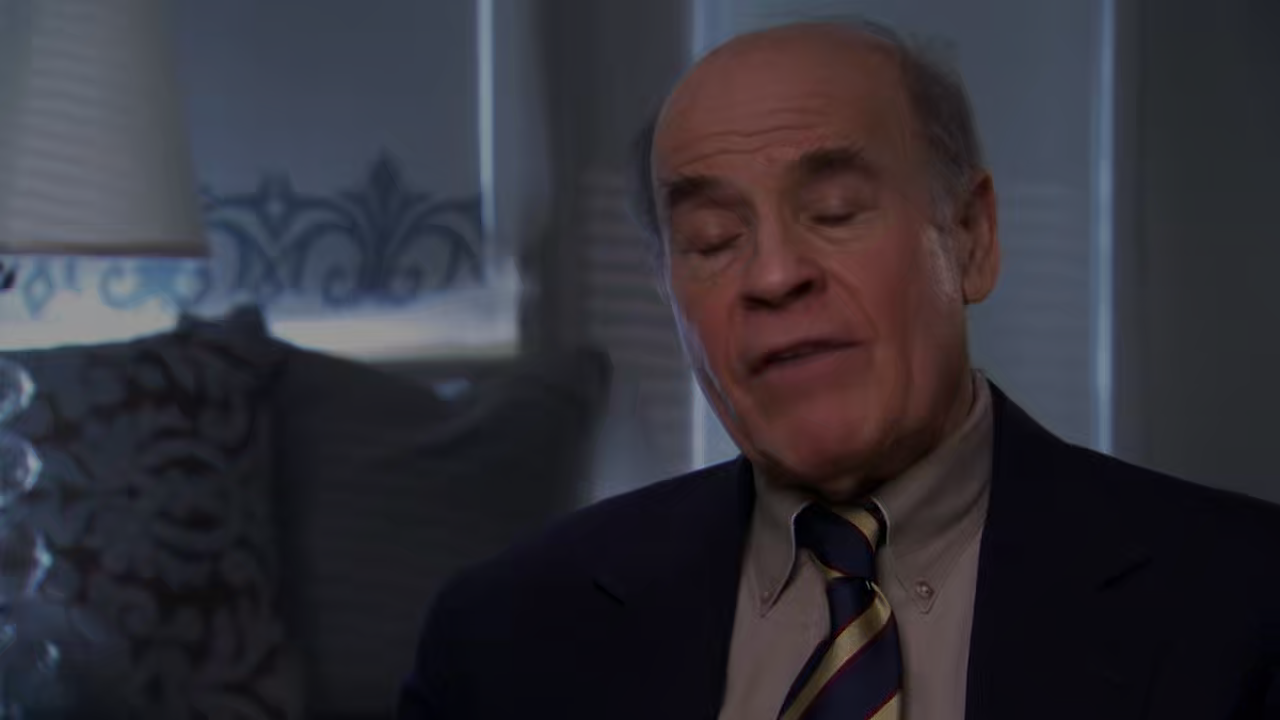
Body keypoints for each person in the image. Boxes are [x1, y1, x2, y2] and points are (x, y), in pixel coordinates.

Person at [398, 19, 1280, 720]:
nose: (774, 275)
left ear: (970, 237)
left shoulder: (1246, 603)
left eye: (834, 210)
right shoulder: (503, 635)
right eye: (713, 239)